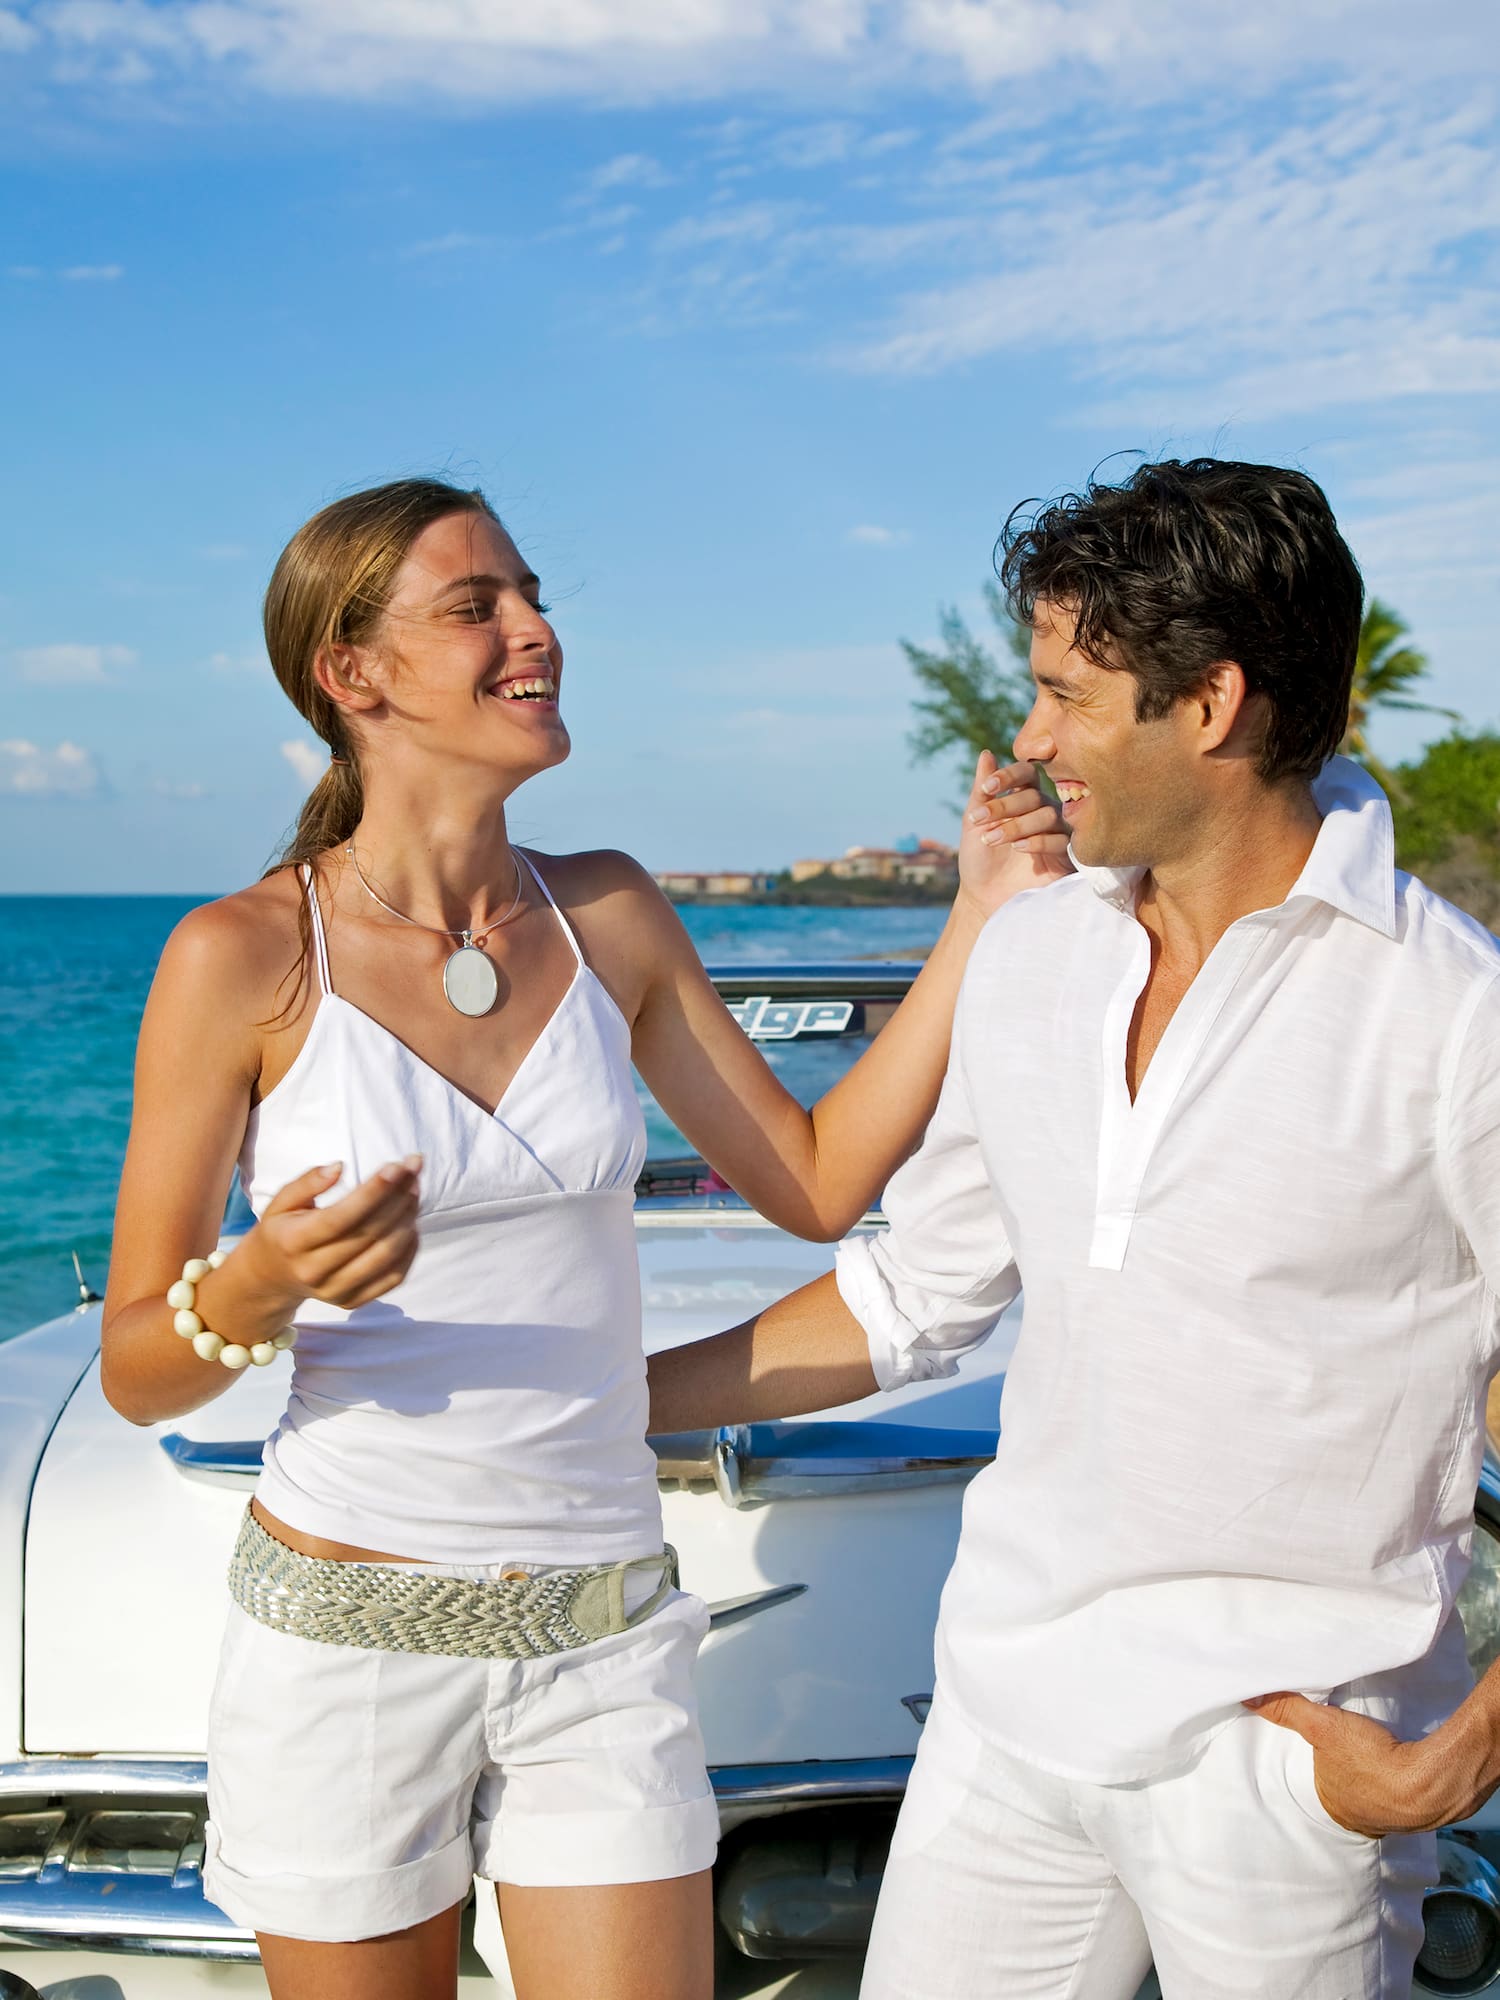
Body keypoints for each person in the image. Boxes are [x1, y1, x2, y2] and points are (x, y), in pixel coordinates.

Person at [99, 475, 1069, 2000]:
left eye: (532, 594)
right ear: (352, 676)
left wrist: (981, 909)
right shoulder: (243, 956)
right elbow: (140, 1366)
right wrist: (259, 1285)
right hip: (343, 1646)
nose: (535, 629)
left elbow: (813, 1184)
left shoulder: (608, 911)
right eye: (475, 606)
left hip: (605, 1631)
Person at [647, 457, 1500, 1999]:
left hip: (1283, 1759)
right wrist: (609, 1404)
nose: (1030, 740)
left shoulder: (1454, 1015)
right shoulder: (1033, 955)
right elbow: (913, 1295)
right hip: (1004, 1712)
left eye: (1065, 694)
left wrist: (1449, 1763)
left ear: (1212, 706)